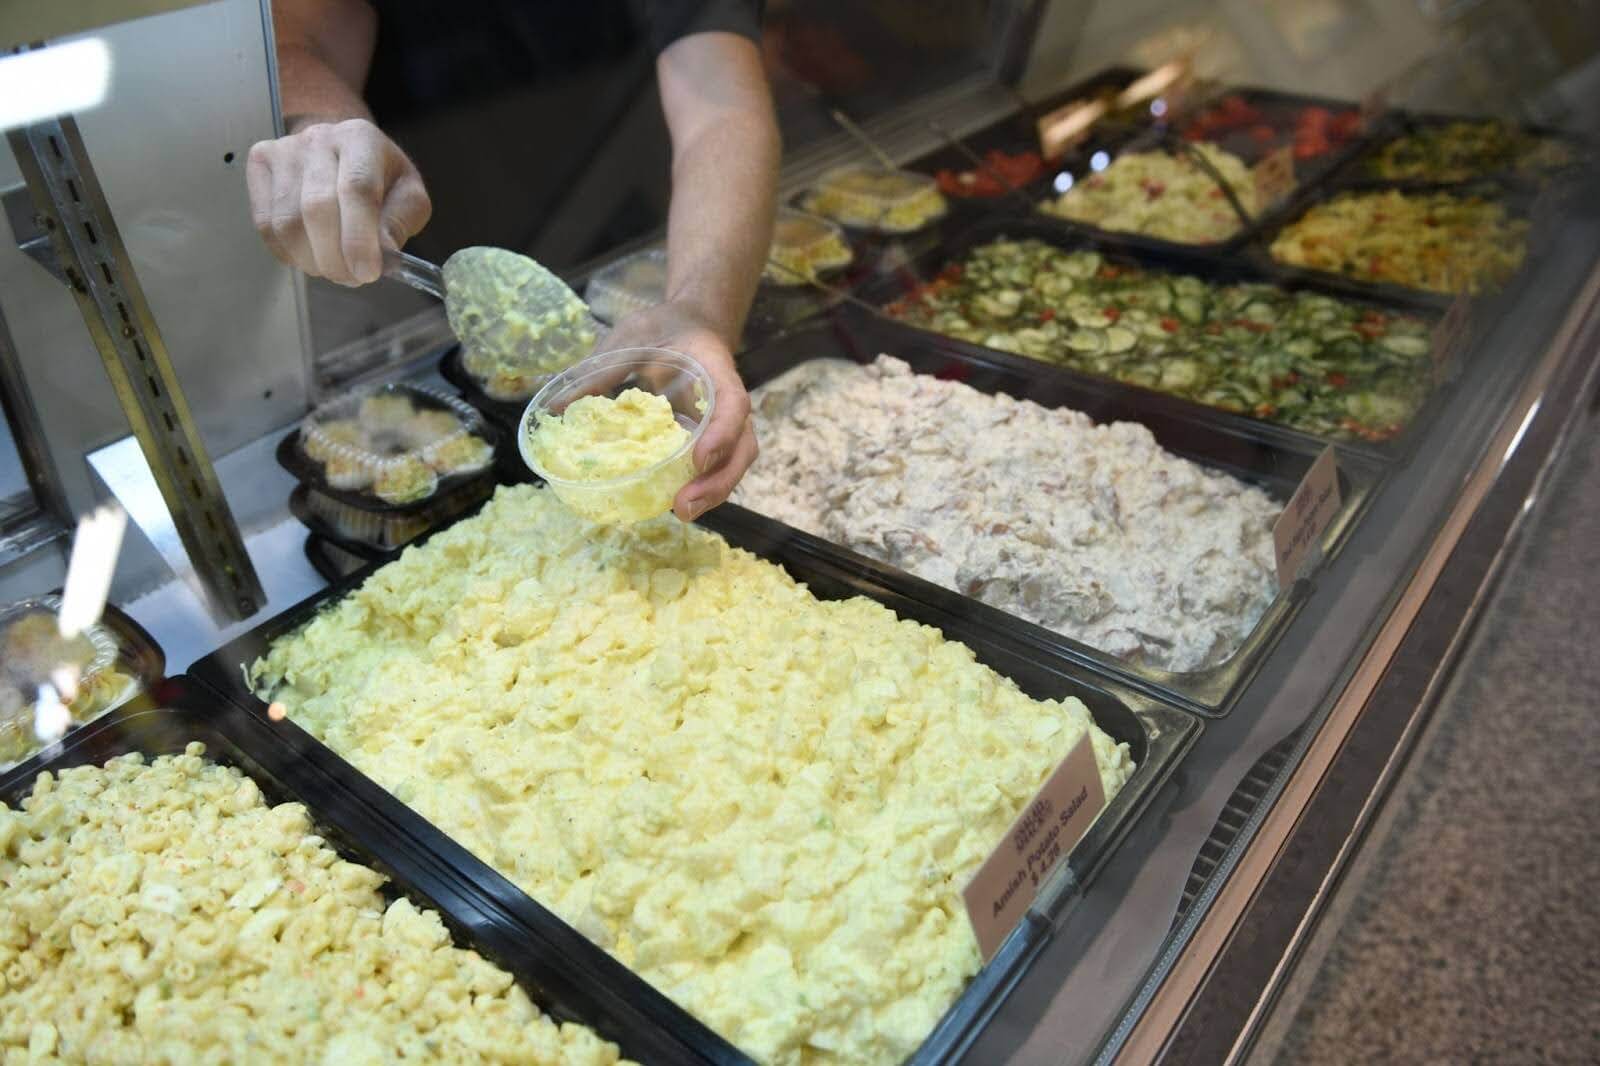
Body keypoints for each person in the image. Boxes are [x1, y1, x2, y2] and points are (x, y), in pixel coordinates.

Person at [246, 0, 778, 521]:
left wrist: (700, 309)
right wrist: (329, 136)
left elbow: (721, 107)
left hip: (632, 229)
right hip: (405, 252)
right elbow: (299, 34)